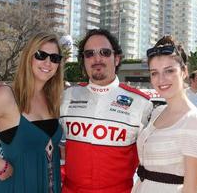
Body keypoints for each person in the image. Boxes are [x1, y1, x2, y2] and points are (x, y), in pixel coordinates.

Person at [0, 32, 64, 193]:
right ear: (28, 57)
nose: (48, 62)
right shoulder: (6, 96)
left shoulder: (52, 99)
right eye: (41, 55)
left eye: (55, 58)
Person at [60, 29, 153, 193]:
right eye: (89, 54)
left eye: (104, 52)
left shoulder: (141, 103)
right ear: (83, 60)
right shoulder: (66, 97)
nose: (97, 58)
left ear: (116, 59)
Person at [132, 36, 197, 193]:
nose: (161, 79)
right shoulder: (158, 112)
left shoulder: (195, 122)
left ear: (184, 72)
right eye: (154, 73)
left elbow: (191, 189)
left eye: (169, 71)